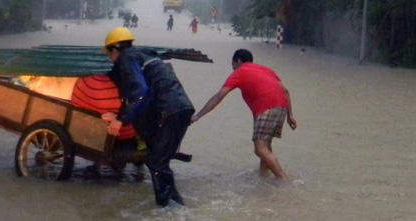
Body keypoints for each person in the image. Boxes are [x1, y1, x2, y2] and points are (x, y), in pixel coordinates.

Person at [101, 27, 194, 208]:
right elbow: (139, 95)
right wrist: (120, 115)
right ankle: (175, 204)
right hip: (180, 108)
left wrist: (120, 121)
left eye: (109, 54)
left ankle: (165, 210)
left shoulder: (126, 58)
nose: (109, 59)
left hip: (169, 110)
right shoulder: (143, 55)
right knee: (159, 160)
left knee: (156, 161)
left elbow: (140, 91)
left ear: (115, 50)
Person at [190, 49, 297, 180]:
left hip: (266, 107)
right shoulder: (266, 70)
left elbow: (219, 96)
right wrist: (290, 115)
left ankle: (283, 180)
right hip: (281, 107)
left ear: (238, 61)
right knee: (266, 147)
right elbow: (285, 90)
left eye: (232, 64)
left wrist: (198, 115)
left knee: (260, 149)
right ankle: (263, 178)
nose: (232, 67)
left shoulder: (239, 72)